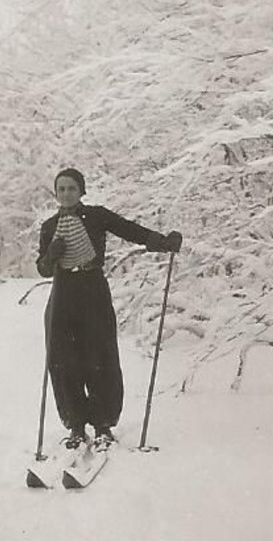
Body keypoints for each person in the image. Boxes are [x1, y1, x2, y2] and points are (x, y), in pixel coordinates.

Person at [36, 168, 182, 451]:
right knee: (64, 361)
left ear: (82, 190)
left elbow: (130, 230)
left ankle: (103, 425)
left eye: (71, 188)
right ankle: (76, 425)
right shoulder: (49, 226)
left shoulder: (97, 216)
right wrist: (50, 255)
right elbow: (42, 269)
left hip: (93, 291)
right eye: (61, 188)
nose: (66, 193)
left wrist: (162, 242)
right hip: (62, 295)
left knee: (99, 355)